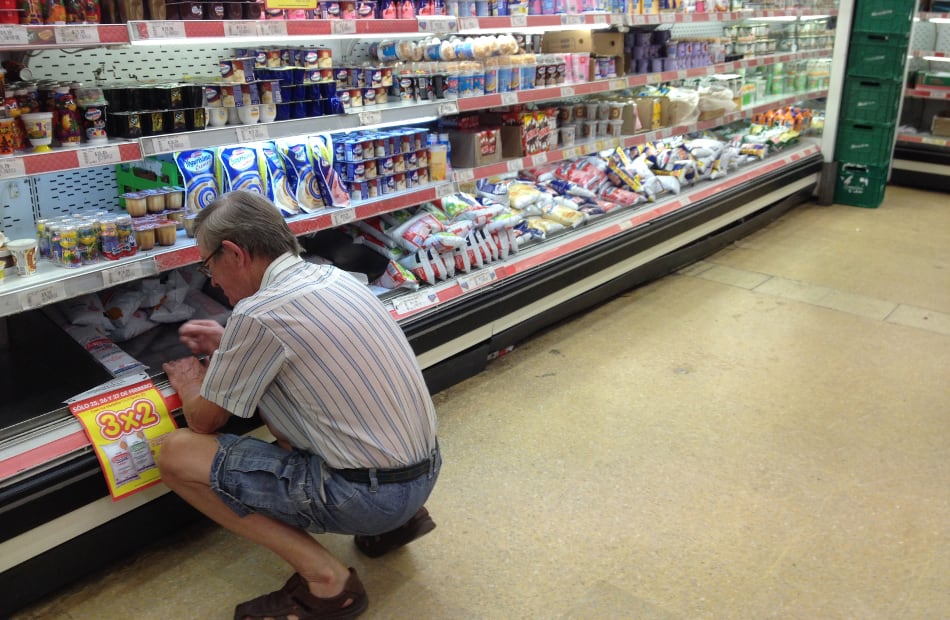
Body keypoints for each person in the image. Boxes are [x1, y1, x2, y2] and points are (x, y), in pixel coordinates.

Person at [159, 190, 440, 620]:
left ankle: (327, 582)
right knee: (289, 394)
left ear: (233, 253)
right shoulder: (335, 277)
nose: (212, 280)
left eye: (208, 264)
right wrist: (231, 346)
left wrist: (192, 380)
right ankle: (397, 523)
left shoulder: (259, 314)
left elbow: (203, 420)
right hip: (425, 472)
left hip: (369, 496)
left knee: (178, 454)